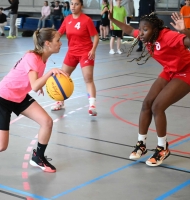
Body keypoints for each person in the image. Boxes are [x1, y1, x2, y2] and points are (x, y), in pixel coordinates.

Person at [0, 28, 66, 173]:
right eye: (58, 40)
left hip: (19, 97)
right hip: (3, 97)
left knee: (47, 122)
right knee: (0, 146)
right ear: (48, 43)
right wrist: (49, 73)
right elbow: (35, 84)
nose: (61, 43)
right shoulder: (33, 58)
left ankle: (38, 157)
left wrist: (41, 83)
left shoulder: (41, 57)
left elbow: (32, 80)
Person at [108, 10, 190, 166]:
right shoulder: (146, 36)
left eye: (145, 30)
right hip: (170, 70)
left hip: (186, 70)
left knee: (157, 107)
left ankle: (162, 148)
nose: (142, 33)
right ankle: (141, 145)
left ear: (155, 30)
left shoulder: (168, 36)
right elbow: (129, 29)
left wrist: (184, 31)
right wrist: (112, 19)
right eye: (141, 29)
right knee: (146, 104)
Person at [51, 0, 99, 116]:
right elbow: (59, 33)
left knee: (88, 78)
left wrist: (93, 50)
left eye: (76, 4)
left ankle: (92, 105)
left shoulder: (86, 20)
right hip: (71, 53)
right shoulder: (67, 19)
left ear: (81, 6)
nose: (73, 6)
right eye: (72, 4)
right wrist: (49, 39)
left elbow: (96, 36)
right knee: (62, 77)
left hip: (85, 53)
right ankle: (60, 101)